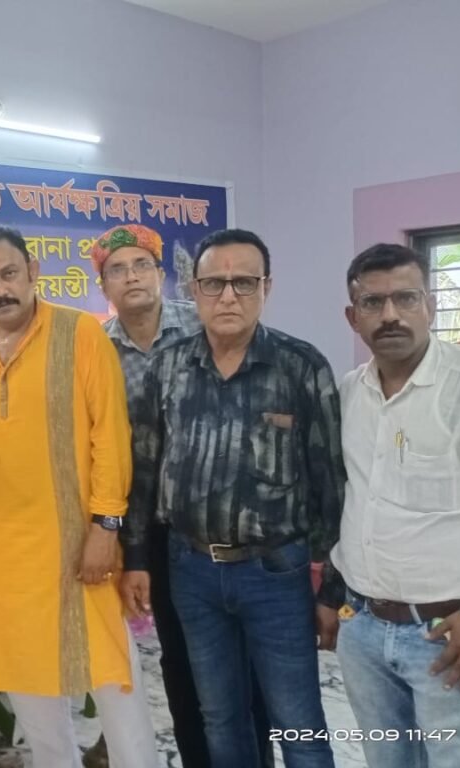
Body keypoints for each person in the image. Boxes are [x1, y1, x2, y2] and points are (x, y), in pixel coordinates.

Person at [123, 228, 343, 768]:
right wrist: (136, 558)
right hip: (192, 571)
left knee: (298, 722)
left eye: (243, 282)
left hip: (276, 575)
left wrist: (332, 589)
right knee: (220, 718)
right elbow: (146, 469)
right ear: (193, 290)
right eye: (214, 283)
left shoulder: (300, 366)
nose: (228, 296)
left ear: (266, 287)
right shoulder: (168, 366)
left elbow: (330, 484)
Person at [0, 226, 158, 768]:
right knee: (28, 680)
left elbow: (111, 437)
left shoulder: (80, 334)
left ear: (33, 272)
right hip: (5, 552)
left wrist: (105, 527)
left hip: (76, 542)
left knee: (113, 679)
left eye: (9, 274)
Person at [84, 224, 271, 768]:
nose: (131, 278)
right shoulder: (94, 350)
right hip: (149, 526)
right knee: (182, 658)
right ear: (103, 285)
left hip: (221, 519)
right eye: (117, 270)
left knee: (243, 659)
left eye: (141, 265)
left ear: (162, 274)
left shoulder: (204, 325)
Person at [333, 243, 460, 768]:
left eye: (406, 298)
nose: (390, 315)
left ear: (431, 305)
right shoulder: (349, 394)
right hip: (363, 628)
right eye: (372, 303)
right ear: (353, 317)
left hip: (451, 635)